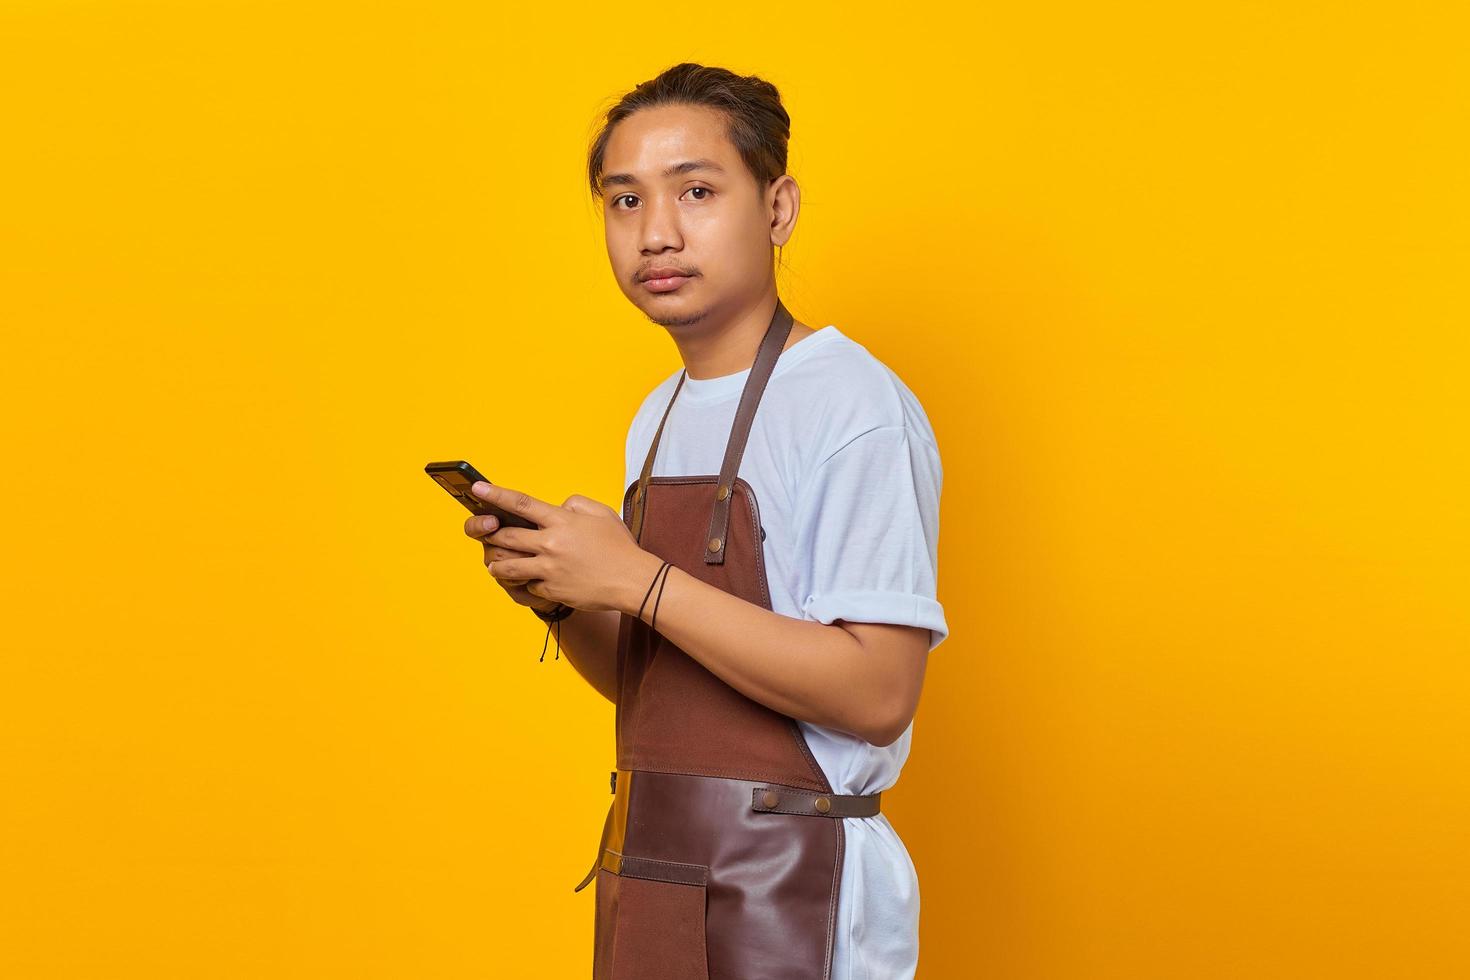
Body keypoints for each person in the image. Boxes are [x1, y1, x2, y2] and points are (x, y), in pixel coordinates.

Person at [461, 62, 948, 980]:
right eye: (625, 201)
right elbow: (662, 691)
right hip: (652, 874)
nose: (658, 233)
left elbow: (879, 696)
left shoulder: (852, 404)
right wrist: (564, 598)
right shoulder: (661, 411)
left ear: (778, 208)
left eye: (696, 190)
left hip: (793, 886)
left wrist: (634, 580)